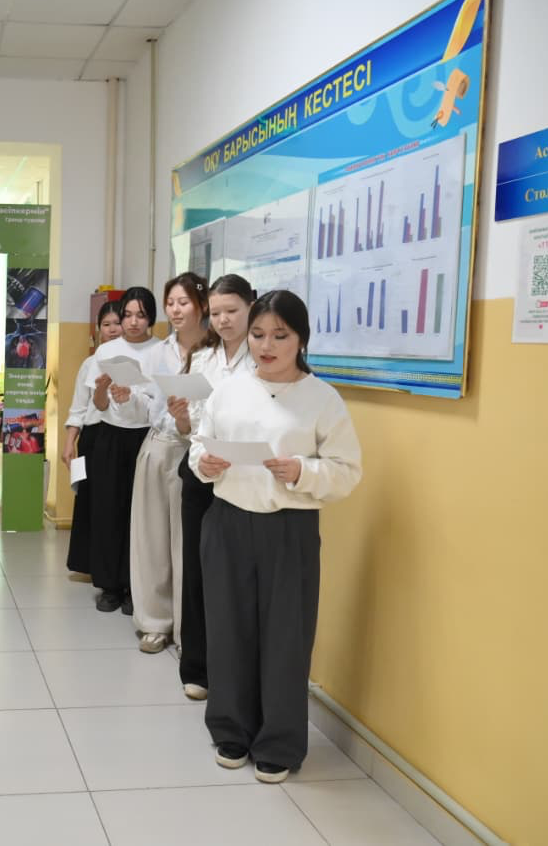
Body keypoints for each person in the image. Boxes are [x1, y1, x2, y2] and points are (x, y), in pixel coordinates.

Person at [188, 289, 362, 784]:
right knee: (228, 628)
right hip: (227, 521)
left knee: (286, 635)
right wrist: (205, 462)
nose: (266, 346)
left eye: (280, 336)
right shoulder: (229, 390)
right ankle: (230, 729)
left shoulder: (322, 398)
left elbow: (348, 471)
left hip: (289, 529)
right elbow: (199, 445)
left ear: (301, 338)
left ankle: (280, 742)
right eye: (259, 335)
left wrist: (302, 470)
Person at [172, 274, 256, 700]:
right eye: (217, 312)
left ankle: (237, 669)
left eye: (232, 311)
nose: (223, 320)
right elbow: (190, 429)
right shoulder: (202, 358)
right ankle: (197, 667)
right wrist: (181, 417)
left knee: (240, 575)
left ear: (252, 306)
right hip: (200, 472)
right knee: (197, 569)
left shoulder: (264, 358)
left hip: (246, 477)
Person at [127, 273, 211, 655]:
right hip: (158, 445)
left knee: (186, 544)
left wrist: (188, 420)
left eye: (184, 302)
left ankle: (186, 628)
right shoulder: (157, 353)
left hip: (194, 452)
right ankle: (154, 623)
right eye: (170, 303)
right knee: (151, 539)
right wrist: (127, 396)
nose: (175, 310)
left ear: (202, 305)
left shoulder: (216, 353)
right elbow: (147, 405)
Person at [87, 287, 160, 613]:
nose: (132, 322)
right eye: (127, 315)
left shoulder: (161, 351)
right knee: (108, 510)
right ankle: (110, 586)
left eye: (140, 315)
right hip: (110, 437)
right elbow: (99, 405)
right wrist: (103, 391)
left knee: (142, 515)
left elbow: (160, 403)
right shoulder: (107, 350)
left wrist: (133, 396)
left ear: (151, 318)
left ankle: (135, 587)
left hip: (145, 437)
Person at [63, 301, 124, 578]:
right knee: (90, 503)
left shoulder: (136, 363)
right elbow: (78, 408)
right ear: (99, 329)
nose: (112, 329)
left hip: (121, 438)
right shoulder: (90, 363)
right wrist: (69, 443)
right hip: (92, 438)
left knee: (113, 505)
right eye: (106, 324)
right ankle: (89, 563)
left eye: (117, 323)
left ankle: (113, 568)